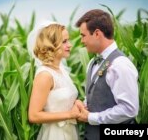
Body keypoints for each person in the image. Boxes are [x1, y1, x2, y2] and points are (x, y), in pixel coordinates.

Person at [75, 9, 139, 140]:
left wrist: (91, 117)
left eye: (83, 35)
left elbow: (129, 109)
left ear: (97, 33)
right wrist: (84, 105)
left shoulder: (120, 65)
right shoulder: (92, 62)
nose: (81, 40)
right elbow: (98, 97)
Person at [27, 20, 80, 140]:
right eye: (64, 41)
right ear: (51, 45)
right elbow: (34, 116)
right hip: (55, 134)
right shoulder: (45, 75)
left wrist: (76, 103)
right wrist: (70, 114)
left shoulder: (61, 70)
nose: (70, 45)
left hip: (70, 131)